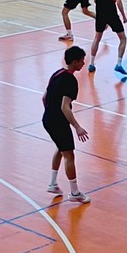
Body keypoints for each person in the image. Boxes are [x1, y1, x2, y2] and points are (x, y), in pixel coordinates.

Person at [42, 45, 92, 204]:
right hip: (58, 121)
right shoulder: (71, 80)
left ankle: (53, 184)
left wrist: (50, 113)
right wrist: (77, 127)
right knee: (69, 155)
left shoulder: (57, 73)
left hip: (47, 119)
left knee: (61, 148)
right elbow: (65, 107)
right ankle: (75, 192)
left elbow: (44, 97)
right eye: (82, 61)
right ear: (75, 62)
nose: (83, 63)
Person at [88, 0, 127, 75]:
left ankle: (91, 63)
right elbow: (118, 2)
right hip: (112, 14)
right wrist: (124, 16)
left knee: (97, 38)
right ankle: (118, 64)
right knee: (123, 39)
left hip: (100, 14)